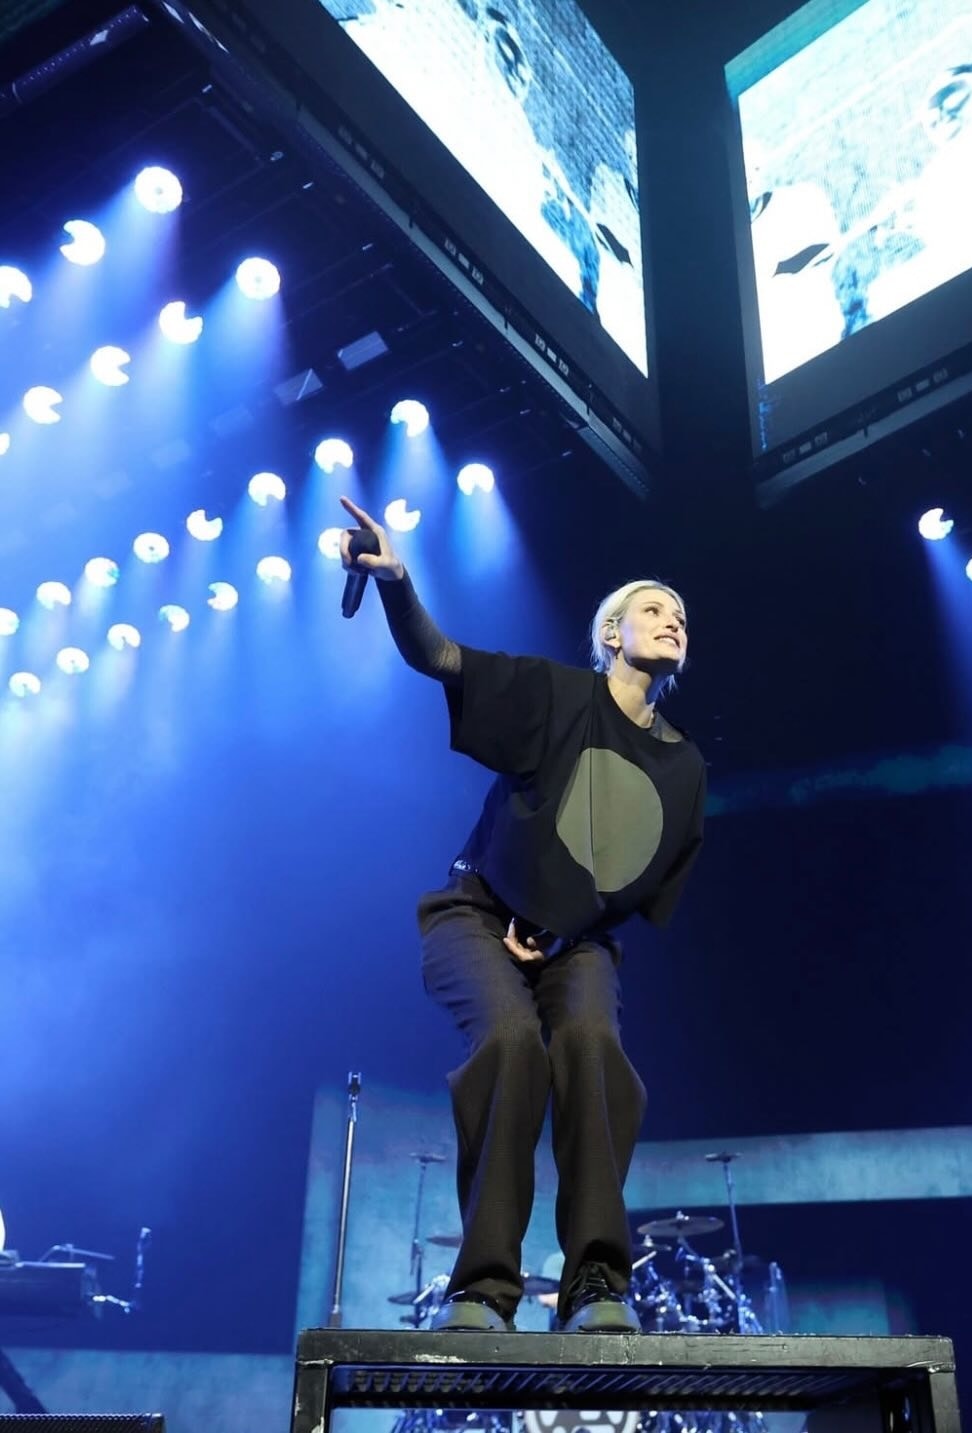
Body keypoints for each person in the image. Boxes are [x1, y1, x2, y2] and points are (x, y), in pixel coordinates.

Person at [339, 496, 706, 1333]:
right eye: (654, 609)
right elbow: (440, 657)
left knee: (591, 1047)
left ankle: (596, 1284)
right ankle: (482, 1289)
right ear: (611, 632)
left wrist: (561, 930)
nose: (672, 622)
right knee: (510, 1044)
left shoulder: (683, 765)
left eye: (681, 617)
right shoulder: (556, 693)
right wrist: (396, 581)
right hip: (474, 913)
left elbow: (635, 881)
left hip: (576, 943)